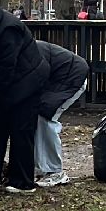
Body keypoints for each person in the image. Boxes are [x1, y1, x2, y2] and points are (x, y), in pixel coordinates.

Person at [0, 0, 46, 195]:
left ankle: (22, 181)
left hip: (26, 83)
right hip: (12, 81)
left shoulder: (8, 29)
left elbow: (7, 66)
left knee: (20, 132)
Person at [31, 40, 89, 187]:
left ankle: (55, 172)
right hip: (64, 76)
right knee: (39, 117)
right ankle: (43, 168)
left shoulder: (31, 51)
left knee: (46, 116)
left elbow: (37, 77)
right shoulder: (27, 47)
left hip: (72, 77)